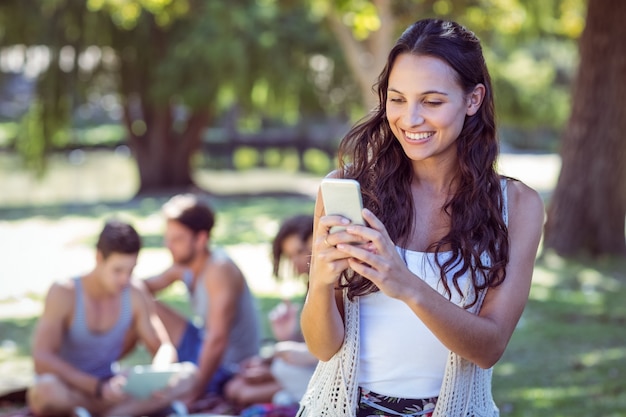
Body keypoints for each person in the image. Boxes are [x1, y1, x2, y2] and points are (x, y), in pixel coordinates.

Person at [296, 18, 545, 417]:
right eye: (397, 99)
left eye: (431, 102)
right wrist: (321, 285)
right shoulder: (347, 188)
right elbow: (323, 347)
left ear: (473, 99)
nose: (410, 119)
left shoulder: (516, 205)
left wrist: (406, 284)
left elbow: (489, 347)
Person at [27, 220, 197, 417]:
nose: (125, 279)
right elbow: (42, 358)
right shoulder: (64, 292)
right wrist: (96, 387)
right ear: (99, 258)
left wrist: (156, 378)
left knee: (190, 375)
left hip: (112, 391)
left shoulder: (135, 292)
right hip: (72, 389)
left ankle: (112, 414)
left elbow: (163, 347)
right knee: (46, 390)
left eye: (131, 270)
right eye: (117, 271)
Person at [143, 193, 261, 405]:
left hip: (228, 367)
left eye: (177, 239)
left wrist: (194, 395)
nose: (168, 245)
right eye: (168, 238)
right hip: (202, 346)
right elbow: (143, 288)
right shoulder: (185, 266)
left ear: (201, 239)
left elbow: (217, 340)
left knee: (143, 304)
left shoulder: (219, 269)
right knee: (143, 302)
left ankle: (191, 390)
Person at [224, 215, 317, 410]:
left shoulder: (332, 285)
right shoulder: (313, 285)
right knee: (236, 387)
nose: (297, 262)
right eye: (290, 256)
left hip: (325, 377)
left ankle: (285, 397)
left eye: (301, 252)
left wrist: (277, 354)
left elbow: (326, 351)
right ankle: (284, 395)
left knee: (242, 391)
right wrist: (286, 336)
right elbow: (312, 346)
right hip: (306, 370)